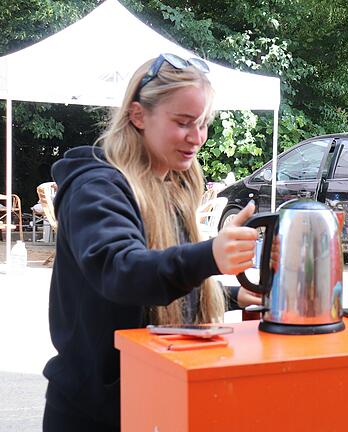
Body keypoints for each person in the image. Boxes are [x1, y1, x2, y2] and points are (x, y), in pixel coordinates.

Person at [42, 54, 260, 431]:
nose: (197, 138)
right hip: (96, 414)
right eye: (183, 123)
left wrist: (234, 296)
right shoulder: (96, 188)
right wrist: (210, 255)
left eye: (204, 124)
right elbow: (122, 272)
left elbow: (158, 283)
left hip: (153, 400)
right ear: (138, 115)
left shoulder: (172, 184)